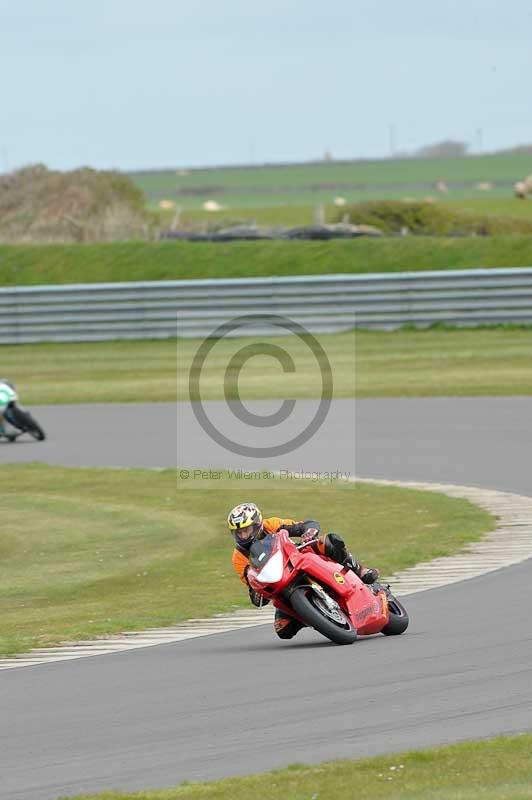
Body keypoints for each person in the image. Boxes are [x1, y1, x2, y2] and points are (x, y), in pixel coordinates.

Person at [228, 502, 380, 640]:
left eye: (246, 530)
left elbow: (303, 525)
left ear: (257, 524)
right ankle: (313, 615)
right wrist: (256, 592)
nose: (242, 536)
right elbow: (250, 583)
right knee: (283, 629)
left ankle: (359, 570)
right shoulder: (238, 557)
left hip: (296, 559)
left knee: (328, 542)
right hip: (279, 586)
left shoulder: (271, 524)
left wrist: (308, 532)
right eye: (238, 533)